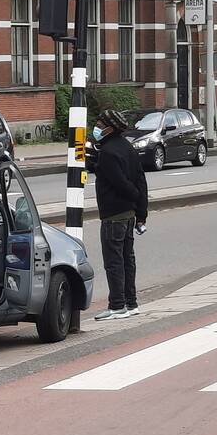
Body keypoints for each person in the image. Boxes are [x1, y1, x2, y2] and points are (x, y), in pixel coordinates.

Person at [89, 109, 148, 320]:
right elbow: (141, 180)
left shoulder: (108, 152)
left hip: (113, 215)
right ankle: (131, 303)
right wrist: (141, 213)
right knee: (127, 259)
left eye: (99, 124)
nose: (96, 127)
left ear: (109, 128)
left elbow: (119, 182)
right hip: (129, 215)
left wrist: (133, 195)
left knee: (113, 261)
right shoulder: (127, 147)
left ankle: (117, 305)